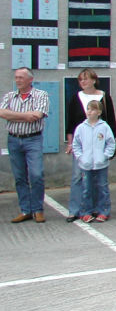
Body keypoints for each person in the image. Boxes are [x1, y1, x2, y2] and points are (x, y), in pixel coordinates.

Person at [65, 68, 116, 222]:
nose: (83, 82)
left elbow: (111, 121)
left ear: (94, 80)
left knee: (98, 180)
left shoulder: (104, 97)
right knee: (78, 177)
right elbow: (71, 122)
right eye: (81, 79)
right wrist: (70, 142)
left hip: (99, 146)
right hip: (83, 146)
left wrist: (109, 149)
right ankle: (75, 210)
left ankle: (97, 209)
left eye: (86, 79)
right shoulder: (76, 98)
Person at [1, 68, 50, 223]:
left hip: (33, 139)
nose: (18, 80)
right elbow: (2, 113)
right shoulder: (9, 96)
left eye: (21, 77)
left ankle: (38, 209)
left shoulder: (41, 95)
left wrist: (13, 115)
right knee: (19, 177)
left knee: (36, 174)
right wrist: (25, 116)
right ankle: (25, 210)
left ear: (30, 79)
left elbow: (37, 115)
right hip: (14, 139)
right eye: (16, 77)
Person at [72, 100, 116, 223]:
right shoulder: (81, 128)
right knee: (86, 188)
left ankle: (103, 211)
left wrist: (105, 156)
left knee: (102, 187)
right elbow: (76, 144)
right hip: (85, 165)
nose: (89, 112)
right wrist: (81, 157)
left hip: (101, 164)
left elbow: (110, 143)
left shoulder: (104, 127)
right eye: (88, 109)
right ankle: (86, 212)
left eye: (92, 109)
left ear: (99, 112)